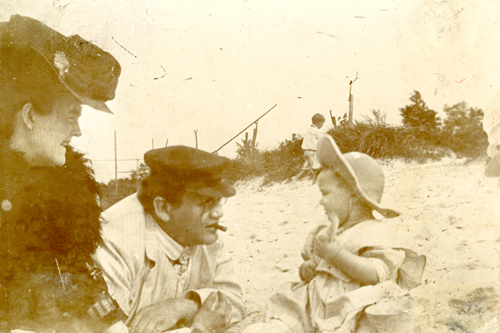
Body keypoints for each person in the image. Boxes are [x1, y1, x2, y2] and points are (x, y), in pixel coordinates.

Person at [0, 15, 126, 332]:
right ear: (29, 116)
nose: (78, 131)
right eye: (71, 115)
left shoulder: (66, 201)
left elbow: (84, 290)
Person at [245, 135, 426, 333]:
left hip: (353, 306)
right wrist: (308, 269)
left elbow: (377, 274)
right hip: (317, 303)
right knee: (287, 314)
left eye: (326, 193)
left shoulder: (375, 231)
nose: (321, 202)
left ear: (355, 196)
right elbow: (312, 269)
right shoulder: (327, 232)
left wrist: (336, 255)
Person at [93, 146, 246, 333]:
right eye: (206, 202)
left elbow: (235, 302)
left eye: (219, 201)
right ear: (164, 208)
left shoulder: (203, 232)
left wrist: (186, 305)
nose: (218, 213)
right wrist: (199, 330)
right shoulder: (114, 240)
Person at [291, 113, 327, 184]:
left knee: (306, 169)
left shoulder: (309, 130)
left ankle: (296, 178)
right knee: (316, 168)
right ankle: (315, 183)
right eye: (322, 123)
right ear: (318, 123)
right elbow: (322, 140)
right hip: (313, 152)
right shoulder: (317, 131)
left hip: (306, 152)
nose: (322, 125)